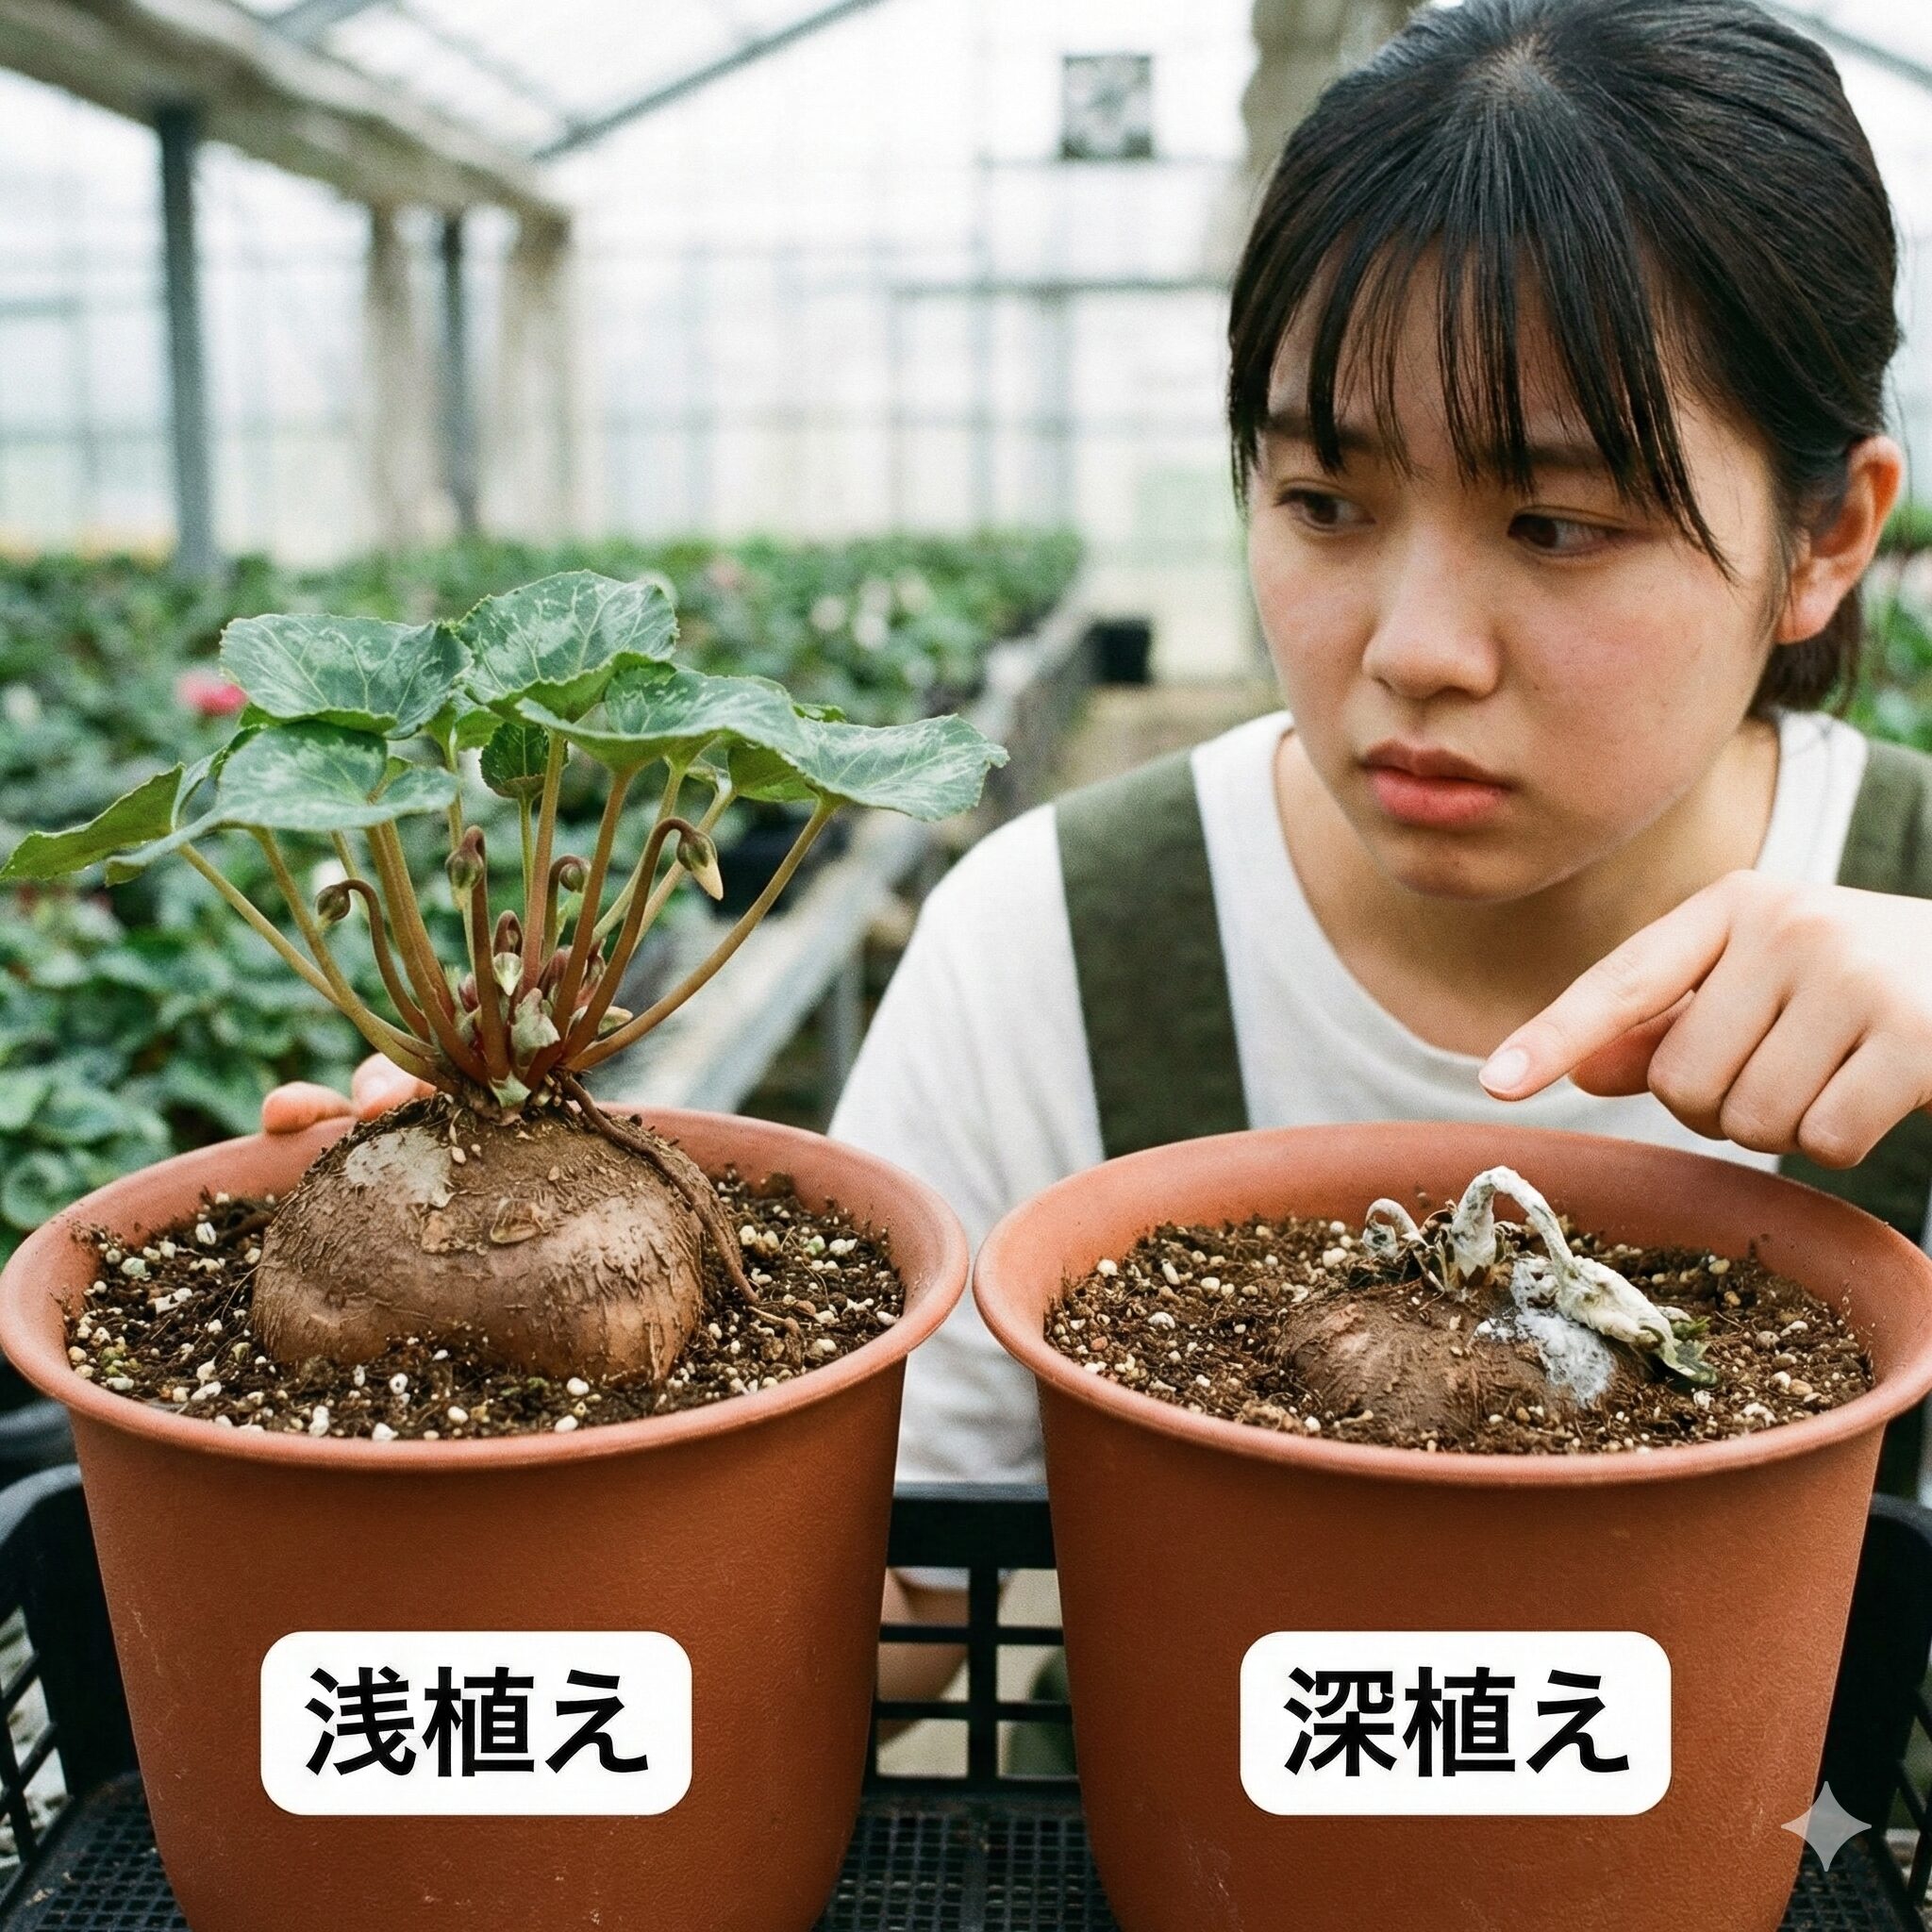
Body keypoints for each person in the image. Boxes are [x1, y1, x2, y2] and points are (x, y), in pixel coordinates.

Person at [265, 0, 1932, 1734]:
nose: (1416, 649)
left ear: (1824, 537)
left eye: (1557, 525)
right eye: (1324, 501)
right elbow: (889, 1619)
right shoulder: (1053, 936)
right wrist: (497, 1354)